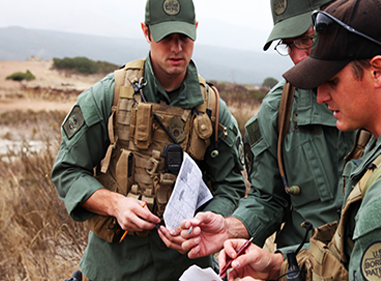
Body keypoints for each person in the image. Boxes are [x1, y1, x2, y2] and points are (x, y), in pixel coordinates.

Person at [159, 0, 381, 259]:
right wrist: (231, 227)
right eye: (288, 45)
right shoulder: (277, 109)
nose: (299, 57)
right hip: (303, 264)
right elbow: (267, 198)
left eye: (307, 38)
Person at [217, 0, 381, 280]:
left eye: (332, 81)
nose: (320, 95)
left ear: (378, 71)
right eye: (288, 45)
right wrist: (278, 266)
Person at [51, 0, 246, 280]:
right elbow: (67, 171)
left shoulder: (213, 109)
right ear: (146, 32)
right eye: (166, 37)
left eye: (184, 37)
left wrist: (204, 224)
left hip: (188, 268)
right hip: (115, 266)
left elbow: (232, 186)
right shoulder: (110, 95)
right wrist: (115, 205)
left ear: (196, 31)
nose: (176, 47)